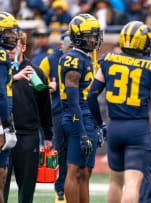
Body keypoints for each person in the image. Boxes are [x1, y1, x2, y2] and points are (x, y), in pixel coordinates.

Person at [87, 21, 151, 202]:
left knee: (115, 182)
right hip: (138, 127)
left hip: (115, 126)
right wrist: (144, 128)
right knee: (132, 184)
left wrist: (101, 123)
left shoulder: (108, 59)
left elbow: (91, 96)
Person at [3, 30, 53, 203]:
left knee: (27, 188)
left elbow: (45, 106)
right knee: (1, 186)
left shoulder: (36, 72)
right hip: (3, 134)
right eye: (6, 45)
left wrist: (48, 135)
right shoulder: (2, 71)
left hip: (28, 135)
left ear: (23, 47)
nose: (10, 49)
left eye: (14, 45)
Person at [58, 14, 102, 203]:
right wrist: (82, 132)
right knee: (75, 169)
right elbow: (73, 101)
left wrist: (97, 124)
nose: (93, 39)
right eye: (88, 36)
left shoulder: (85, 57)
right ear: (77, 36)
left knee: (85, 171)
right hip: (77, 117)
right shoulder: (73, 59)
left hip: (86, 117)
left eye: (94, 35)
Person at [39, 31, 73, 202]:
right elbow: (36, 84)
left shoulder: (82, 58)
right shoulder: (50, 60)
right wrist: (47, 86)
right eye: (69, 47)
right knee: (60, 150)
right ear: (63, 45)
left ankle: (72, 187)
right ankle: (60, 189)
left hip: (76, 112)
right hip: (59, 111)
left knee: (75, 152)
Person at [0, 11, 19, 203]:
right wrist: (6, 122)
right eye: (7, 32)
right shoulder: (2, 54)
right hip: (0, 120)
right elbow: (0, 92)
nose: (12, 36)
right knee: (1, 173)